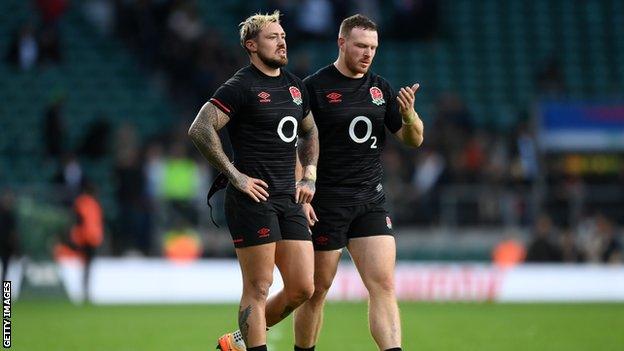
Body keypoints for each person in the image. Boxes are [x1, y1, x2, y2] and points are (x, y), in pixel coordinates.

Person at [187, 11, 319, 351]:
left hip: (288, 200)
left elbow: (309, 132)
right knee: (259, 288)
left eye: (283, 35)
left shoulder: (294, 86)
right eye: (273, 37)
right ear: (251, 45)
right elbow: (200, 128)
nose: (282, 41)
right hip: (252, 199)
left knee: (303, 287)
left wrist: (308, 178)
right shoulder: (240, 86)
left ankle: (237, 341)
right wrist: (236, 176)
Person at [293, 14, 424, 351]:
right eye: (361, 46)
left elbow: (414, 140)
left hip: (370, 200)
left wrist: (410, 116)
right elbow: (298, 147)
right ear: (341, 43)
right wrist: (302, 196)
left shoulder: (380, 88)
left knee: (383, 284)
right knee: (317, 289)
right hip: (326, 203)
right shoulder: (314, 87)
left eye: (373, 48)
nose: (368, 53)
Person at [70, 180, 104, 303]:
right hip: (89, 238)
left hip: (86, 238)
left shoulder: (82, 202)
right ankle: (85, 292)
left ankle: (85, 291)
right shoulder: (91, 203)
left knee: (86, 266)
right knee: (87, 266)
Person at [0, 190, 18, 283]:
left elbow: (13, 234)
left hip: (6, 247)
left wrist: (14, 248)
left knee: (6, 273)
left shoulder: (10, 215)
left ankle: (6, 296)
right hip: (5, 246)